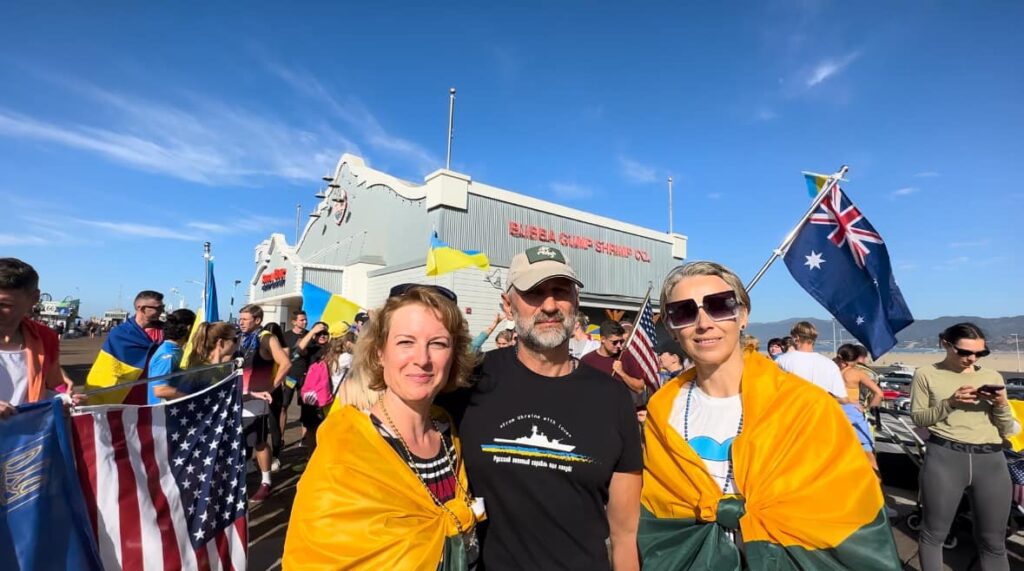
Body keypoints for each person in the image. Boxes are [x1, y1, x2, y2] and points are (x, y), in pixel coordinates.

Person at [639, 261, 899, 569]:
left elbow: (847, 507)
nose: (703, 322)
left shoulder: (807, 406)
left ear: (743, 315)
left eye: (719, 306)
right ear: (672, 327)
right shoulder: (662, 409)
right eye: (683, 312)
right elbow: (658, 512)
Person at [441, 245, 642, 570]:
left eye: (560, 291)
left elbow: (625, 535)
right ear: (508, 306)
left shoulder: (612, 397)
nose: (549, 305)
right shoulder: (468, 382)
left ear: (576, 301)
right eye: (534, 292)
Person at [284, 285, 480, 569]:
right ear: (379, 353)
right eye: (405, 342)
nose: (422, 359)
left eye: (438, 343)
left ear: (455, 355)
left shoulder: (449, 433)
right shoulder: (344, 449)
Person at [910, 323, 1015, 571]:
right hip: (945, 457)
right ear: (945, 344)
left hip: (990, 460)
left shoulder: (992, 377)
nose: (972, 359)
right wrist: (950, 403)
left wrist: (1001, 404)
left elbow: (1006, 428)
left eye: (980, 353)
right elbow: (919, 419)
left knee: (994, 542)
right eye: (965, 352)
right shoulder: (926, 374)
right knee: (934, 534)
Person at [237, 304, 291, 502]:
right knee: (240, 438)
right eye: (240, 318)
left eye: (245, 319)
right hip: (240, 396)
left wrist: (271, 387)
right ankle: (242, 475)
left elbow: (285, 363)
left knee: (258, 441)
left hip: (257, 399)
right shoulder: (240, 337)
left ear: (258, 320)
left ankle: (266, 481)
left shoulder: (267, 338)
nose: (241, 322)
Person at [0, 258, 65, 418]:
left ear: (34, 299)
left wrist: (66, 398)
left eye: (6, 305)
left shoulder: (45, 337)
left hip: (27, 431)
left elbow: (54, 386)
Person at [85, 289, 165, 404]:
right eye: (158, 308)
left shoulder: (165, 331)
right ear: (142, 308)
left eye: (163, 307)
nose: (162, 311)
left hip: (152, 389)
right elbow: (107, 367)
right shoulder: (120, 333)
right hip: (125, 391)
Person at [835, 343, 885, 469]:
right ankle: (875, 479)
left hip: (835, 412)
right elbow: (879, 393)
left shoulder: (833, 372)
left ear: (840, 357)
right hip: (853, 412)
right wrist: (867, 409)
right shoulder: (856, 373)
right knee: (867, 453)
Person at [774, 321, 849, 402]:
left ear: (796, 338)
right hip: (820, 408)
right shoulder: (830, 364)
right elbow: (843, 399)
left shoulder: (781, 361)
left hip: (793, 407)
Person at [581, 319, 646, 407]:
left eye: (621, 341)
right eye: (615, 342)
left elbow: (640, 388)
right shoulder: (587, 360)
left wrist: (622, 373)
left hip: (621, 410)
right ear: (603, 339)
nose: (619, 345)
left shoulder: (626, 356)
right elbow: (580, 389)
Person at [147, 309, 196, 403]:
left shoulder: (176, 350)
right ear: (189, 328)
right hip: (164, 410)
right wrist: (194, 397)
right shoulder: (168, 354)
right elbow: (160, 390)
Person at [281, 310, 309, 440]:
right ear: (294, 322)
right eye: (302, 320)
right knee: (284, 406)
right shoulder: (285, 336)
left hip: (305, 377)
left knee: (306, 408)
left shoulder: (310, 335)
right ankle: (280, 438)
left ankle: (304, 439)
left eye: (305, 319)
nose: (305, 322)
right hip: (289, 376)